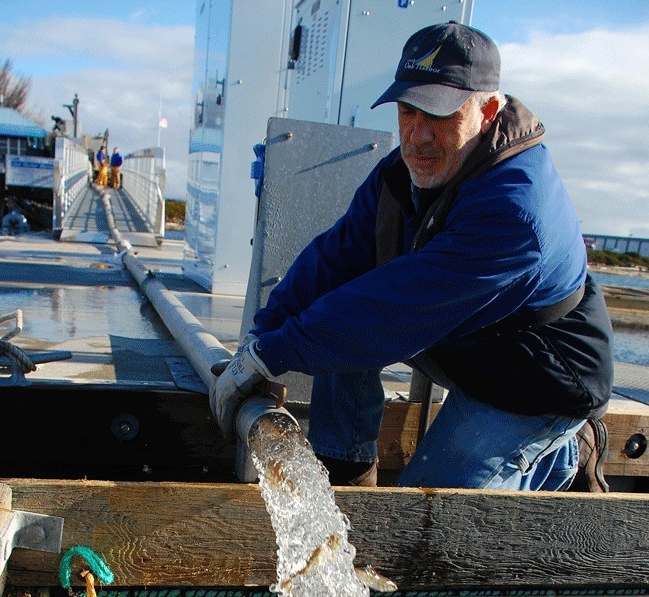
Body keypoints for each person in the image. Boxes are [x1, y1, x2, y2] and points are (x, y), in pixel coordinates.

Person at [211, 22, 614, 491]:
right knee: (340, 311)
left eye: (440, 116)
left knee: (432, 517)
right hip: (463, 338)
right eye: (408, 111)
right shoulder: (401, 174)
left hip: (536, 379)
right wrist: (261, 337)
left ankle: (567, 446)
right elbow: (335, 258)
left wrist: (271, 355)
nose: (418, 136)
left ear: (487, 111)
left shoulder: (516, 212)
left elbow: (392, 311)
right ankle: (344, 476)